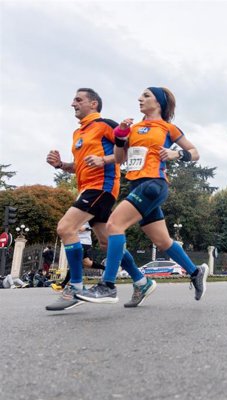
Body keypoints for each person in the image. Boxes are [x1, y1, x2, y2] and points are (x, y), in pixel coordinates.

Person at [75, 86, 207, 304]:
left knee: (114, 225)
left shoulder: (168, 128)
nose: (140, 99)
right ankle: (195, 272)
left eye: (146, 96)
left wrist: (177, 153)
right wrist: (119, 137)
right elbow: (120, 158)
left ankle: (107, 286)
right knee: (163, 241)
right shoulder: (134, 128)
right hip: (136, 186)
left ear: (159, 103)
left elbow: (195, 153)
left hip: (154, 185)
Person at [45, 88, 148, 311]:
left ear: (94, 104)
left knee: (65, 228)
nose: (73, 103)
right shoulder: (77, 134)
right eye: (73, 99)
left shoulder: (106, 124)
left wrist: (104, 160)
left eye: (78, 99)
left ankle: (75, 287)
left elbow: (131, 151)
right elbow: (81, 166)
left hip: (102, 187)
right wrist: (62, 165)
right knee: (107, 242)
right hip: (88, 189)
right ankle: (142, 281)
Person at [51, 223, 106, 292]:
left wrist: (84, 228)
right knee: (87, 263)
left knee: (75, 263)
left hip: (84, 242)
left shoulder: (88, 216)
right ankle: (106, 269)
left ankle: (64, 284)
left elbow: (91, 226)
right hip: (77, 241)